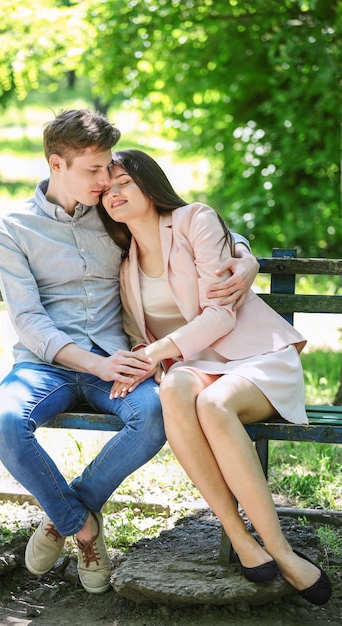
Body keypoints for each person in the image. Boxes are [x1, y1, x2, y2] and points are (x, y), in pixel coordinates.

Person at [0, 110, 258, 595]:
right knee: (5, 424)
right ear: (56, 164)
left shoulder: (113, 213)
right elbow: (28, 320)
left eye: (108, 167)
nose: (105, 180)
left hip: (119, 359)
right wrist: (94, 363)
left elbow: (182, 220)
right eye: (93, 170)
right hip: (45, 365)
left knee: (153, 415)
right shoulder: (14, 229)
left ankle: (60, 517)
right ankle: (84, 527)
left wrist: (245, 254)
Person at [98, 149, 332, 606]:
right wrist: (135, 362)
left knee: (213, 403)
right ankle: (243, 542)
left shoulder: (192, 220)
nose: (114, 194)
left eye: (123, 181)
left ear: (148, 183)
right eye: (105, 190)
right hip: (192, 367)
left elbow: (221, 315)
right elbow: (138, 337)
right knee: (174, 388)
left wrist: (156, 353)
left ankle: (280, 551)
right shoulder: (125, 265)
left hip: (255, 356)